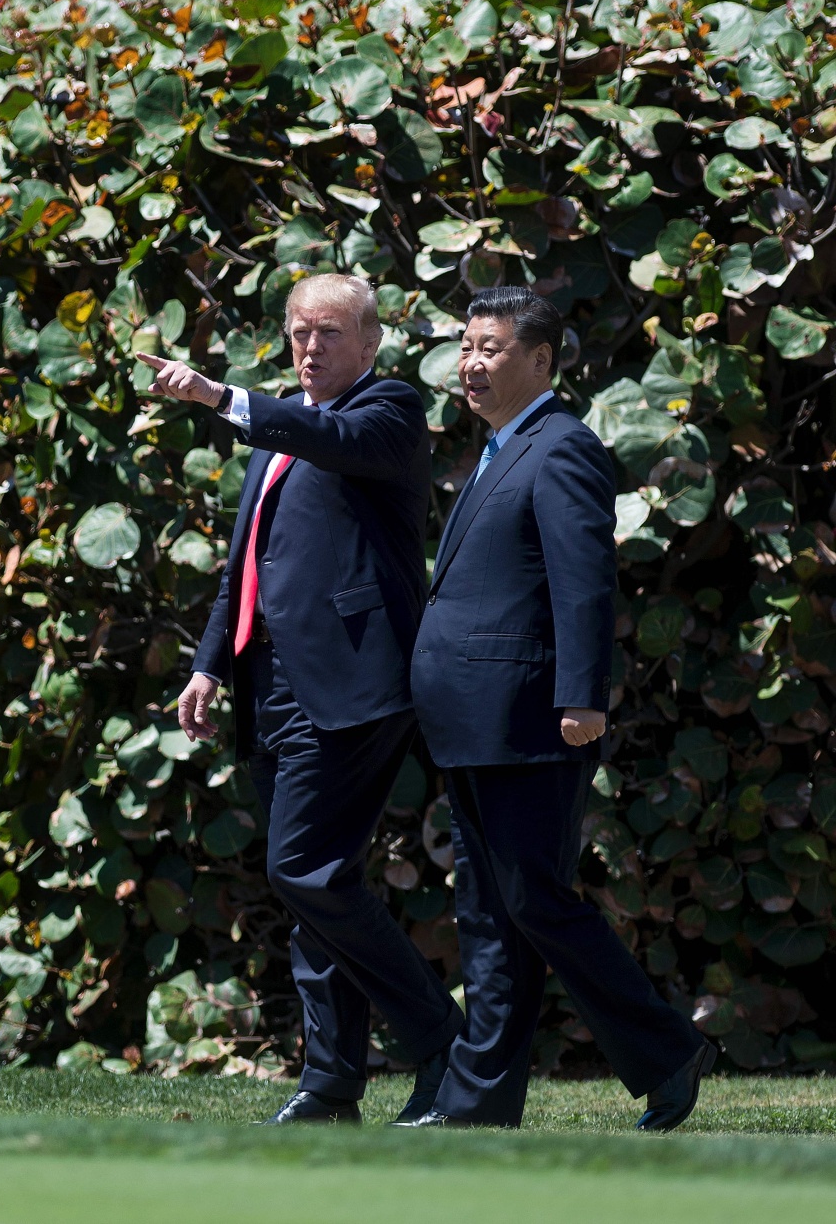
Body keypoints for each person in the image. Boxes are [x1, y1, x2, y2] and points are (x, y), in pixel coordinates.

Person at [141, 272, 462, 1125]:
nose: (310, 347)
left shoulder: (386, 410)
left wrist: (218, 395)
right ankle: (331, 1080)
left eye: (327, 333)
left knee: (305, 868)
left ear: (370, 343)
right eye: (297, 333)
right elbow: (247, 563)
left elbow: (324, 435)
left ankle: (440, 1043)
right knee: (311, 883)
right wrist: (209, 663)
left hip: (353, 684)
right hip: (272, 685)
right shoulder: (282, 423)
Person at [401, 286, 713, 1131]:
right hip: (471, 723)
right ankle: (480, 1101)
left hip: (530, 718)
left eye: (491, 347)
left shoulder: (562, 447)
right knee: (489, 912)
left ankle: (667, 1049)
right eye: (466, 345)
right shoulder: (500, 450)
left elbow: (584, 582)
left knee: (535, 900)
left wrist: (581, 696)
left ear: (541, 360)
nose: (471, 361)